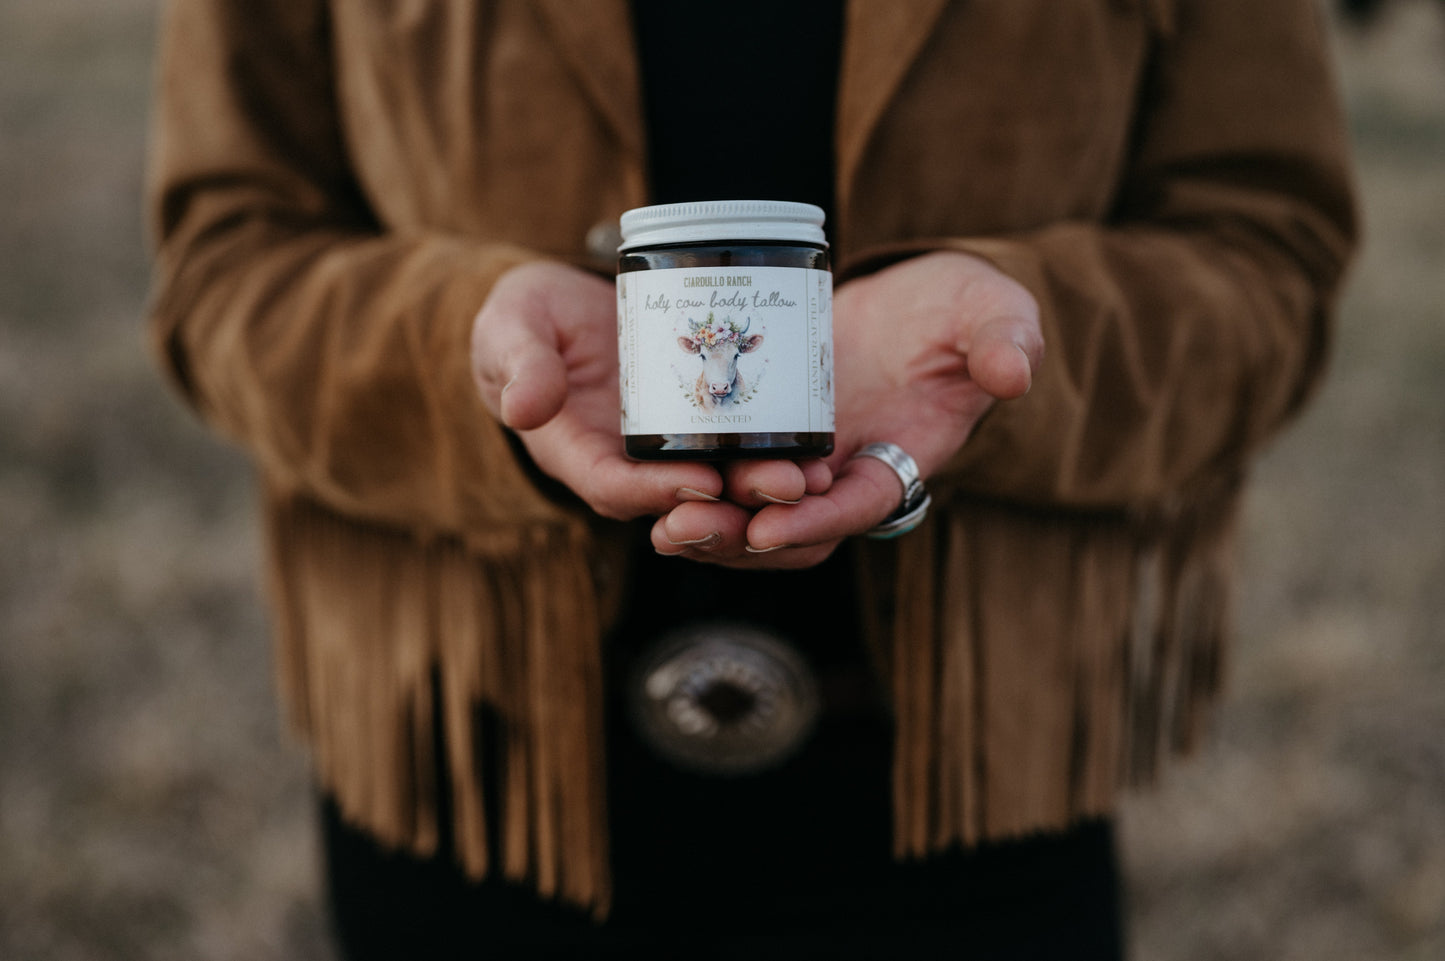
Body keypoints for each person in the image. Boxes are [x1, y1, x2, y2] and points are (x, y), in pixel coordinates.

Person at [146, 1, 1357, 958]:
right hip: (475, 773)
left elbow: (1266, 253)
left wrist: (1009, 351)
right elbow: (224, 259)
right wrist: (461, 343)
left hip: (975, 788)